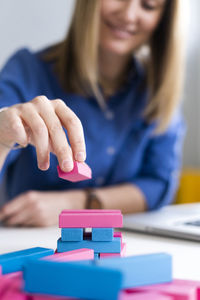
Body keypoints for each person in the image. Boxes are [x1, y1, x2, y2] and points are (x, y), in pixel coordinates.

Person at [0, 0, 185, 227]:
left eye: (148, 5)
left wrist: (76, 203)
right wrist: (2, 136)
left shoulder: (156, 89)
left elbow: (158, 184)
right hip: (28, 243)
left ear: (163, 19)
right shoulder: (26, 70)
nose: (128, 15)